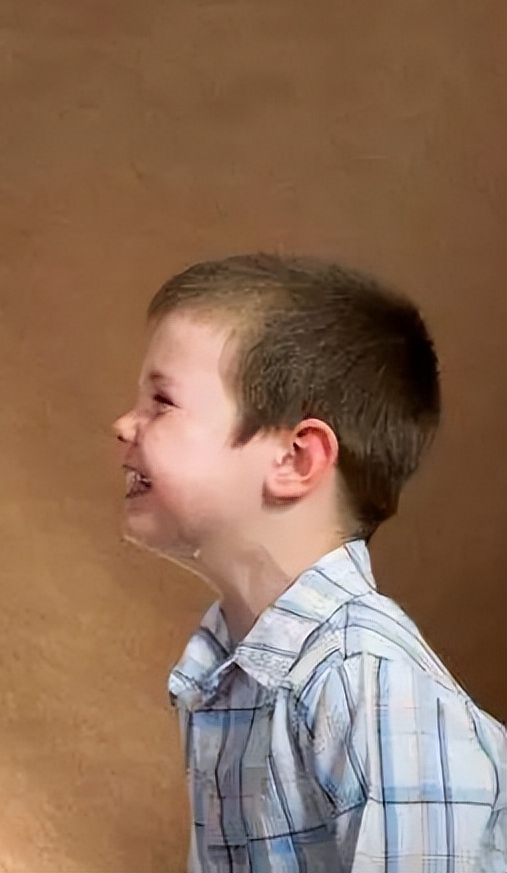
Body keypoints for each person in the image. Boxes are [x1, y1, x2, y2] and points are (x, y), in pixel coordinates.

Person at [112, 255, 506, 870]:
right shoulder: (228, 674)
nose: (123, 425)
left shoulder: (372, 688)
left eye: (162, 401)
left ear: (296, 459)